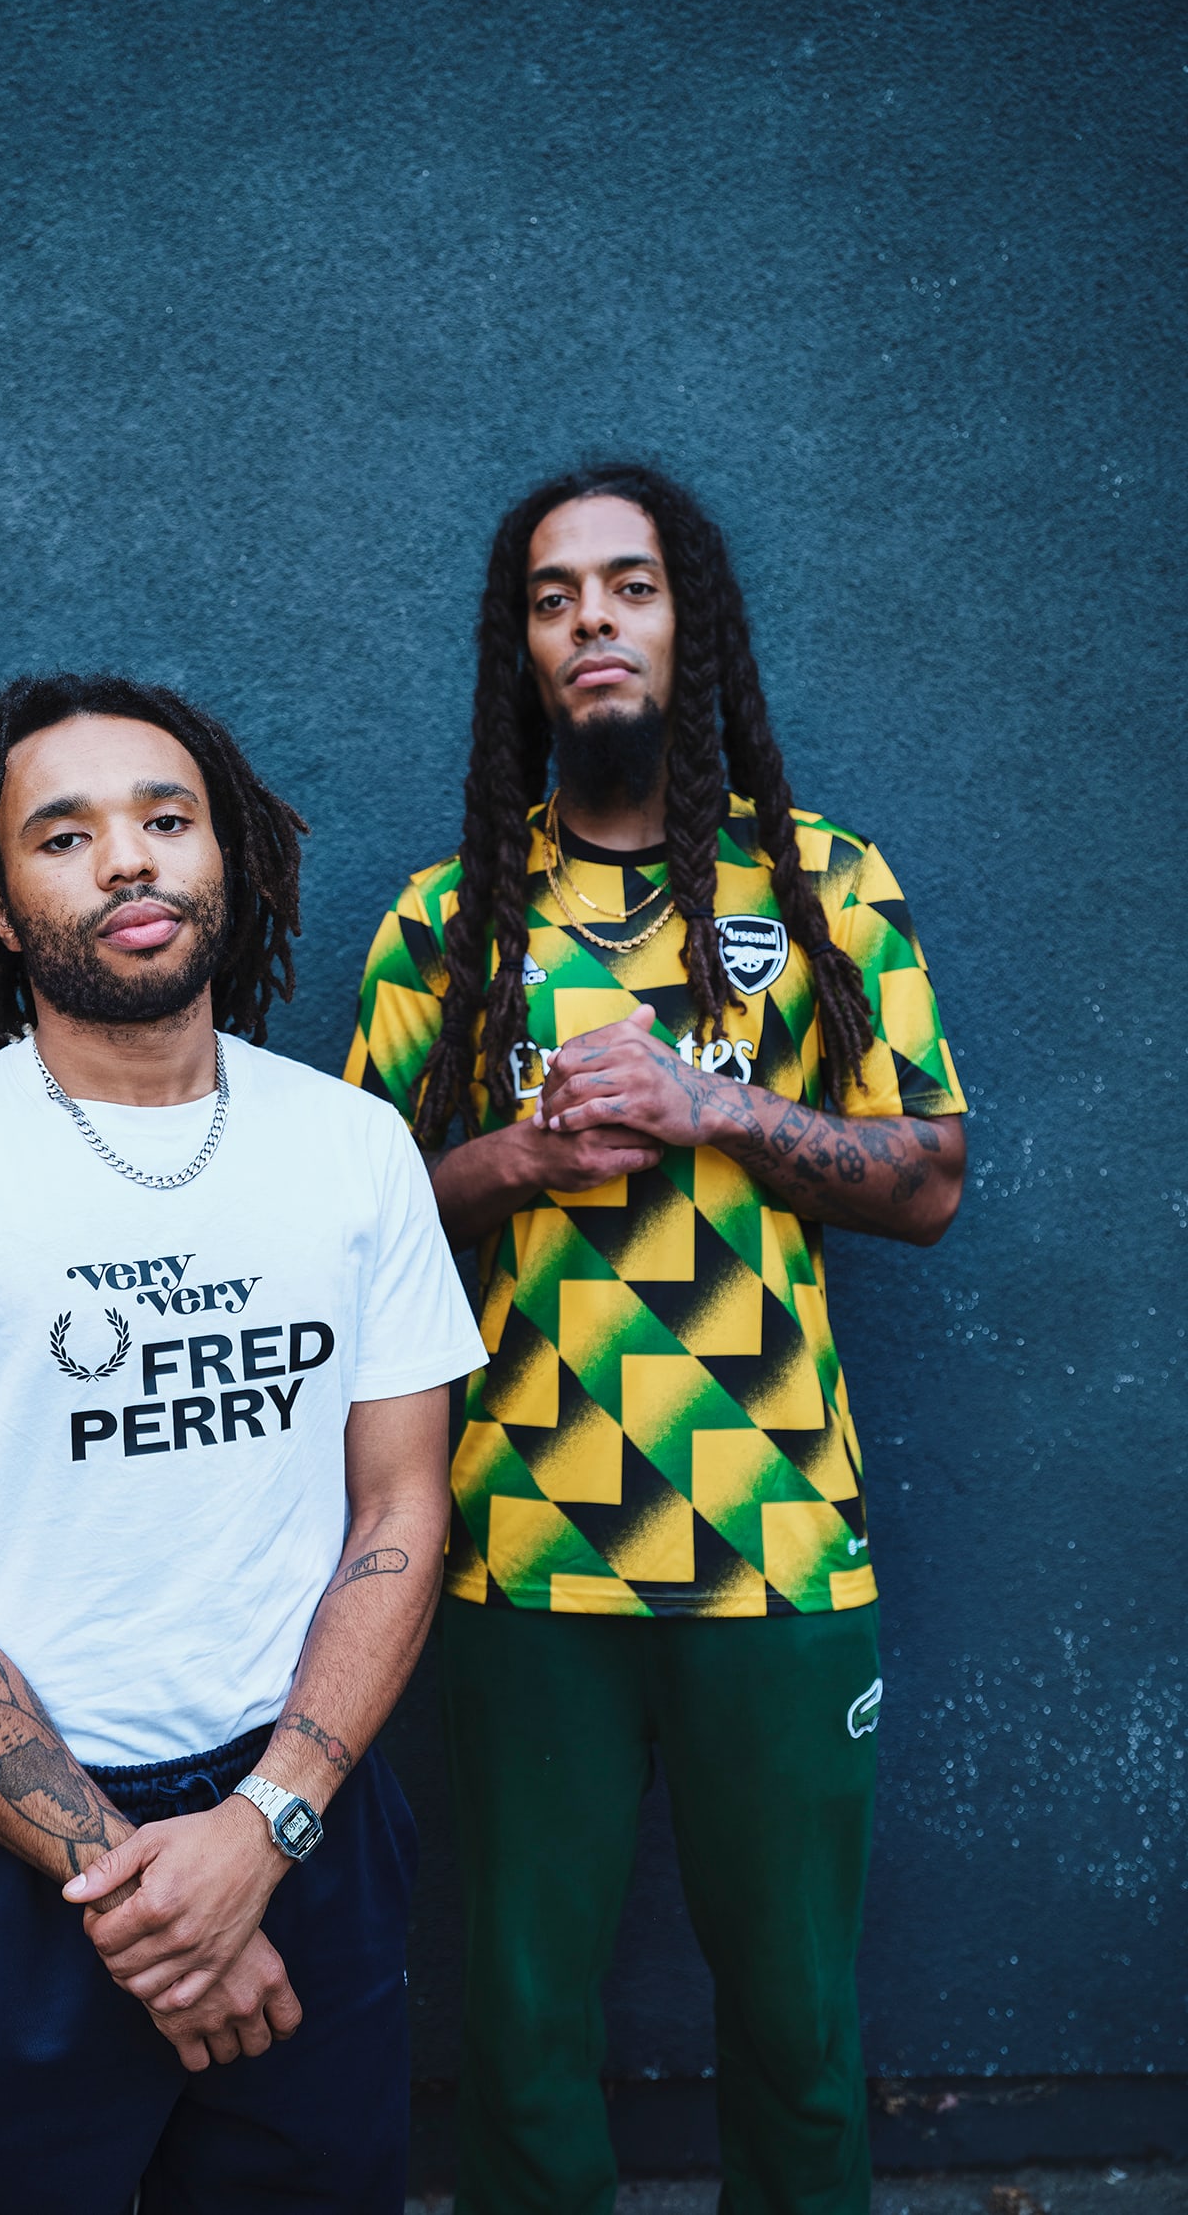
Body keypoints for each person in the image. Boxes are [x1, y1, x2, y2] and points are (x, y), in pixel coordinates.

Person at [0, 672, 484, 2215]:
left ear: (229, 853)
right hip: (6, 1853)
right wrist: (143, 1893)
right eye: (65, 833)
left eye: (168, 818)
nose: (127, 858)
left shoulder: (353, 1149)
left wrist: (261, 1830)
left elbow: (402, 1509)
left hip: (304, 1819)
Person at [346, 463, 968, 2215]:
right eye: (553, 599)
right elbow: (345, 1218)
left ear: (689, 623)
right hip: (524, 1550)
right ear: (523, 650)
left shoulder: (826, 882)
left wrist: (714, 1105)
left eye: (629, 585)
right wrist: (518, 1158)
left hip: (778, 1543)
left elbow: (929, 1177)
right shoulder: (448, 914)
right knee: (523, 2032)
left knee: (796, 2028)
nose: (593, 622)